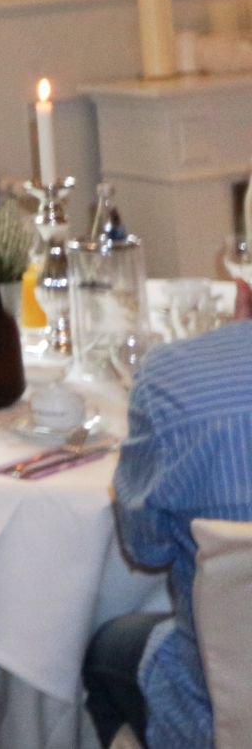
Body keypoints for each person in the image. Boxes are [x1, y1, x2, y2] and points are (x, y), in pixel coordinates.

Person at [82, 278, 252, 749]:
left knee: (104, 649)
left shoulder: (172, 377)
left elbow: (146, 546)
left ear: (243, 287)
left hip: (217, 716)